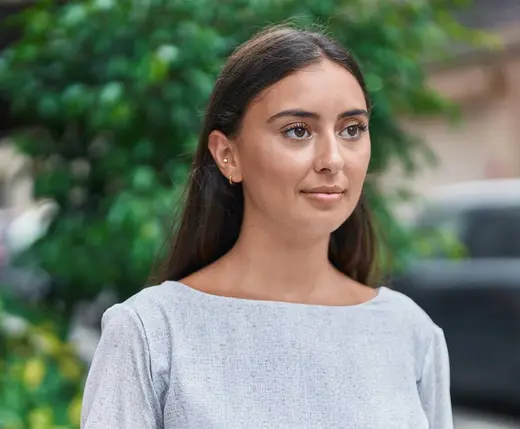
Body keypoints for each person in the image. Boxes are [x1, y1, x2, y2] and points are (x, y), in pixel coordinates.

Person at [80, 25, 453, 429]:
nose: (333, 159)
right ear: (228, 155)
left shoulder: (410, 333)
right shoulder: (151, 332)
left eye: (351, 130)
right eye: (297, 130)